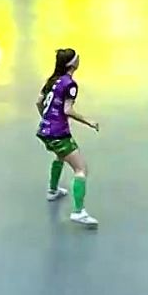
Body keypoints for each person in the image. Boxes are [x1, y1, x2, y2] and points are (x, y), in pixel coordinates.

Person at [35, 48, 100, 228]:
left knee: (60, 155)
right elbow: (67, 110)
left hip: (45, 131)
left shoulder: (52, 80)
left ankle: (53, 190)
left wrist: (46, 118)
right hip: (58, 133)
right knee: (81, 169)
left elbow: (39, 102)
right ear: (72, 63)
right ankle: (79, 212)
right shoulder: (70, 84)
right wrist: (89, 122)